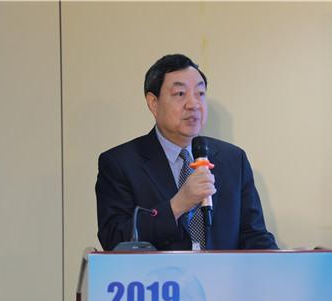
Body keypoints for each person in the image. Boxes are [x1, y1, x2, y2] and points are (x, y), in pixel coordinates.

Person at [95, 54, 277, 251]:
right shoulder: (120, 163)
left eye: (200, 93)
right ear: (153, 102)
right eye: (180, 94)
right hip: (159, 272)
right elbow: (114, 240)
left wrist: (288, 261)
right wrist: (177, 205)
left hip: (222, 272)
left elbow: (254, 236)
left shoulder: (233, 159)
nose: (194, 104)